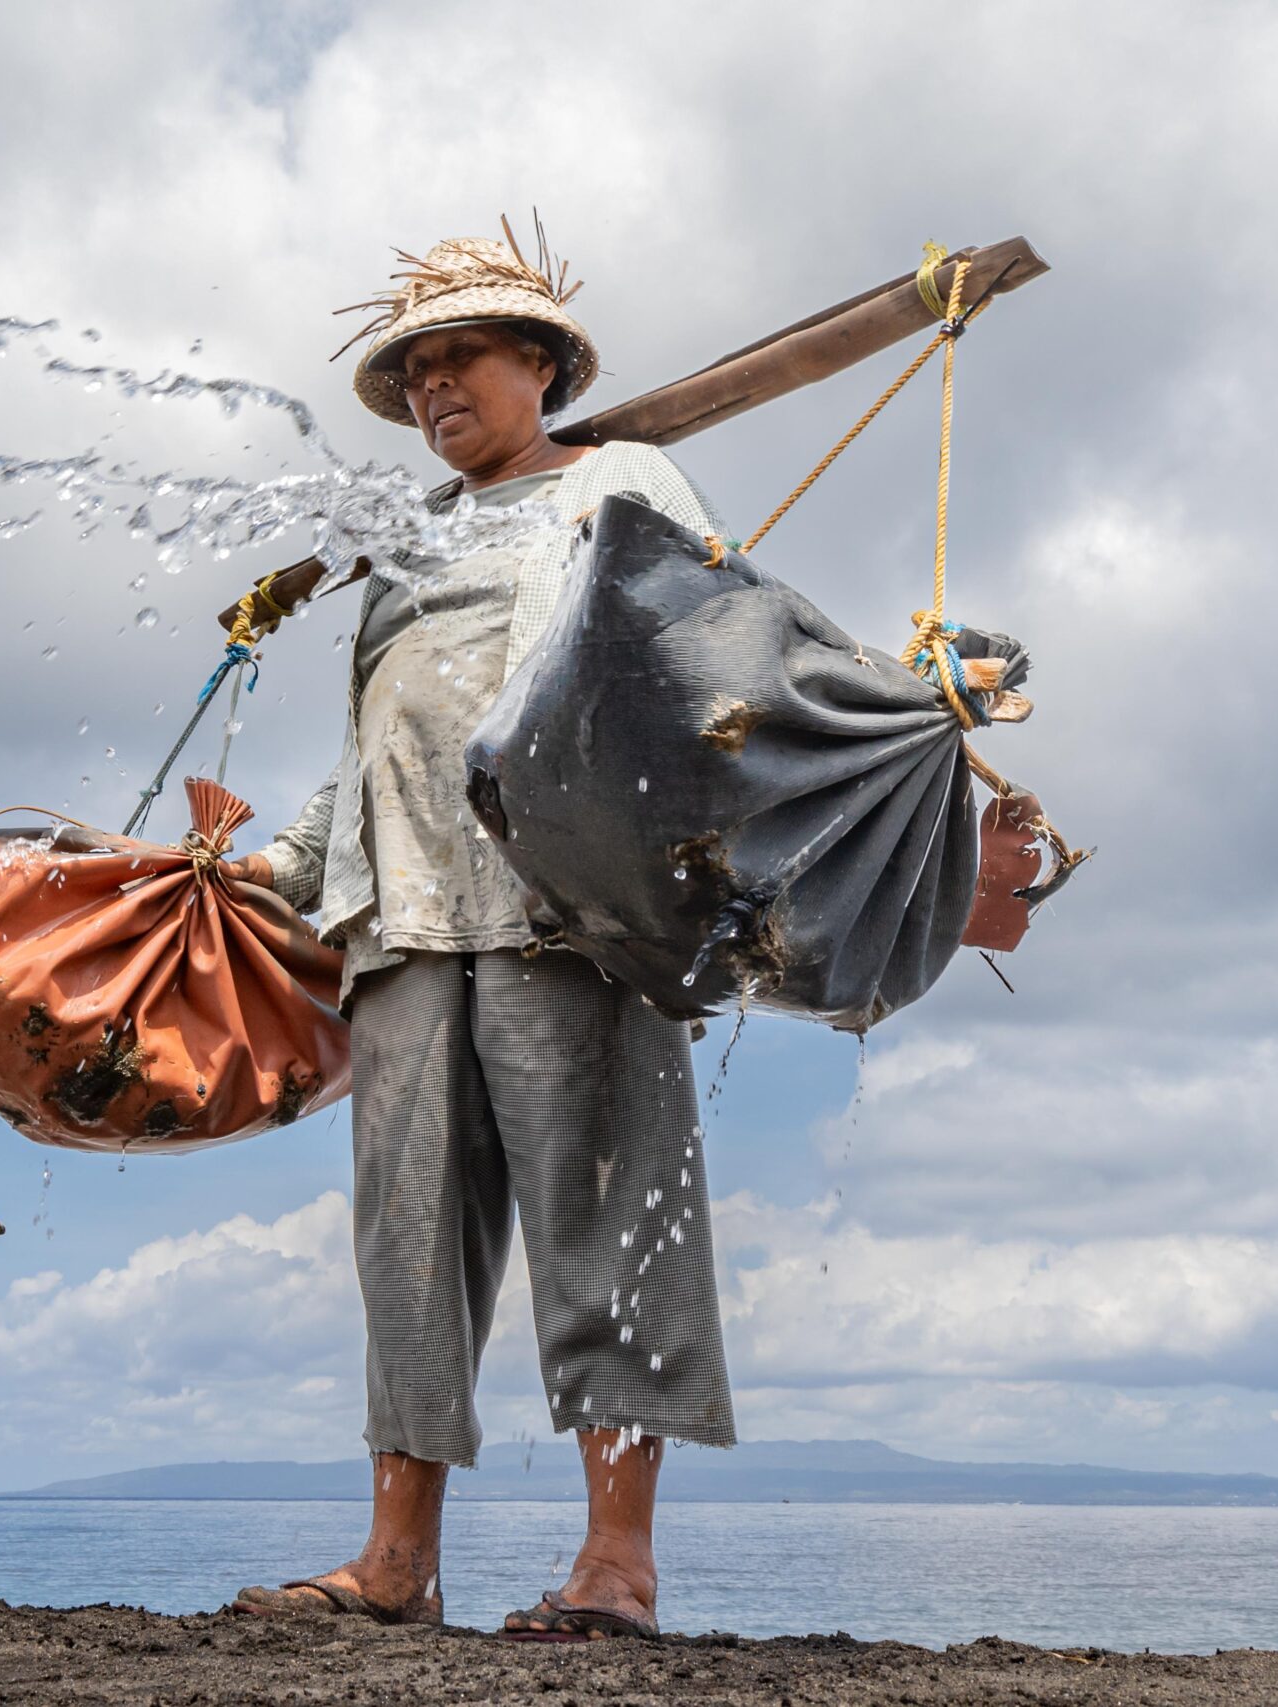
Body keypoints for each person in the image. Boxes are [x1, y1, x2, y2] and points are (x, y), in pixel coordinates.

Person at [223, 220, 735, 1641]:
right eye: (418, 374)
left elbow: (703, 652)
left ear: (543, 365)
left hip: (566, 911)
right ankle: (397, 1565)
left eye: (465, 362)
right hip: (398, 927)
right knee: (405, 1243)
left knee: (604, 1216)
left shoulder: (621, 479)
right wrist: (269, 867)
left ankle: (616, 1567)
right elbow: (379, 740)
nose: (440, 390)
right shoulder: (406, 545)